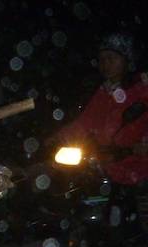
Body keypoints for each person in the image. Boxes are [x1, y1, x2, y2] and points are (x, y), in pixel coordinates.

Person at [58, 32, 148, 185]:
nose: (106, 64)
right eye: (102, 59)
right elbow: (84, 123)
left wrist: (141, 147)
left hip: (140, 172)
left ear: (127, 60)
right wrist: (57, 138)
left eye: (111, 58)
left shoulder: (142, 90)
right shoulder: (103, 92)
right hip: (108, 171)